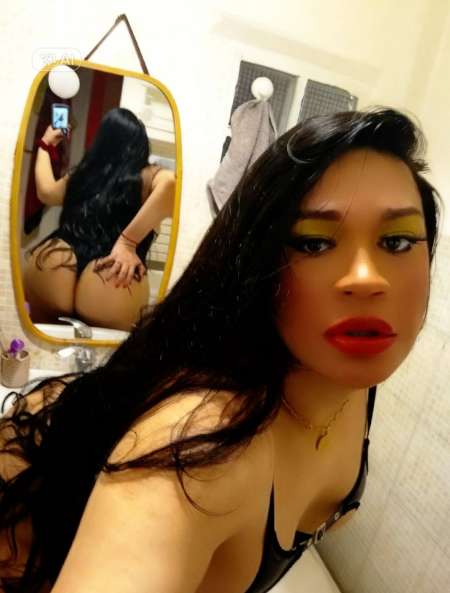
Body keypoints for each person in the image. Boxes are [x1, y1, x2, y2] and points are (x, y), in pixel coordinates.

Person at [0, 108, 441, 593]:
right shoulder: (198, 446)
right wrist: (127, 240)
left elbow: (48, 192)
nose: (367, 278)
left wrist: (50, 152)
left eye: (397, 241)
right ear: (259, 261)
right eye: (315, 244)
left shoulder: (353, 372)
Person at [23, 107, 175, 331]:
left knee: (43, 344)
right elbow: (171, 185)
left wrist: (46, 145)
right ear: (140, 145)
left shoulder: (83, 176)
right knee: (109, 351)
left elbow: (46, 192)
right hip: (113, 274)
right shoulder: (148, 175)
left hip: (57, 260)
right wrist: (128, 242)